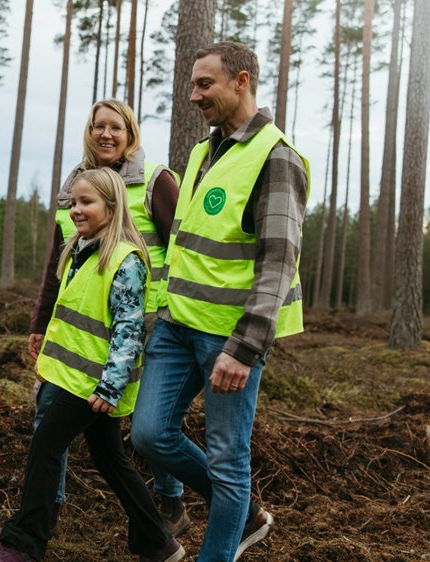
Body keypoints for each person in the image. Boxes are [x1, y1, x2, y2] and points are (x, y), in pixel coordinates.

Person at [130, 41, 310, 562]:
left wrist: (246, 346)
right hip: (176, 326)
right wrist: (162, 311)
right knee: (149, 434)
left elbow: (279, 262)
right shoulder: (201, 152)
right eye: (191, 85)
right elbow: (186, 243)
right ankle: (244, 513)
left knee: (229, 460)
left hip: (229, 337)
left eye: (204, 84)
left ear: (241, 81)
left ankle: (221, 546)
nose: (193, 96)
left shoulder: (277, 159)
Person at [0, 168, 184, 562]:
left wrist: (111, 386)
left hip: (93, 384)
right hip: (74, 376)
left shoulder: (125, 260)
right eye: (74, 203)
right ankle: (159, 543)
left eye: (87, 203)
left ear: (113, 206)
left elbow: (129, 329)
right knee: (109, 459)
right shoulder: (80, 250)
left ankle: (24, 544)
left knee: (46, 447)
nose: (76, 211)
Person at [26, 99, 192, 535]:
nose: (105, 134)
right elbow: (57, 263)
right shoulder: (74, 185)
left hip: (152, 322)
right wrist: (41, 323)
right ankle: (47, 508)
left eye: (115, 127)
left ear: (130, 133)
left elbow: (183, 244)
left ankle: (170, 500)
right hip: (84, 328)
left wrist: (180, 310)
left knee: (148, 422)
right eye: (98, 126)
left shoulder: (154, 181)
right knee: (54, 414)